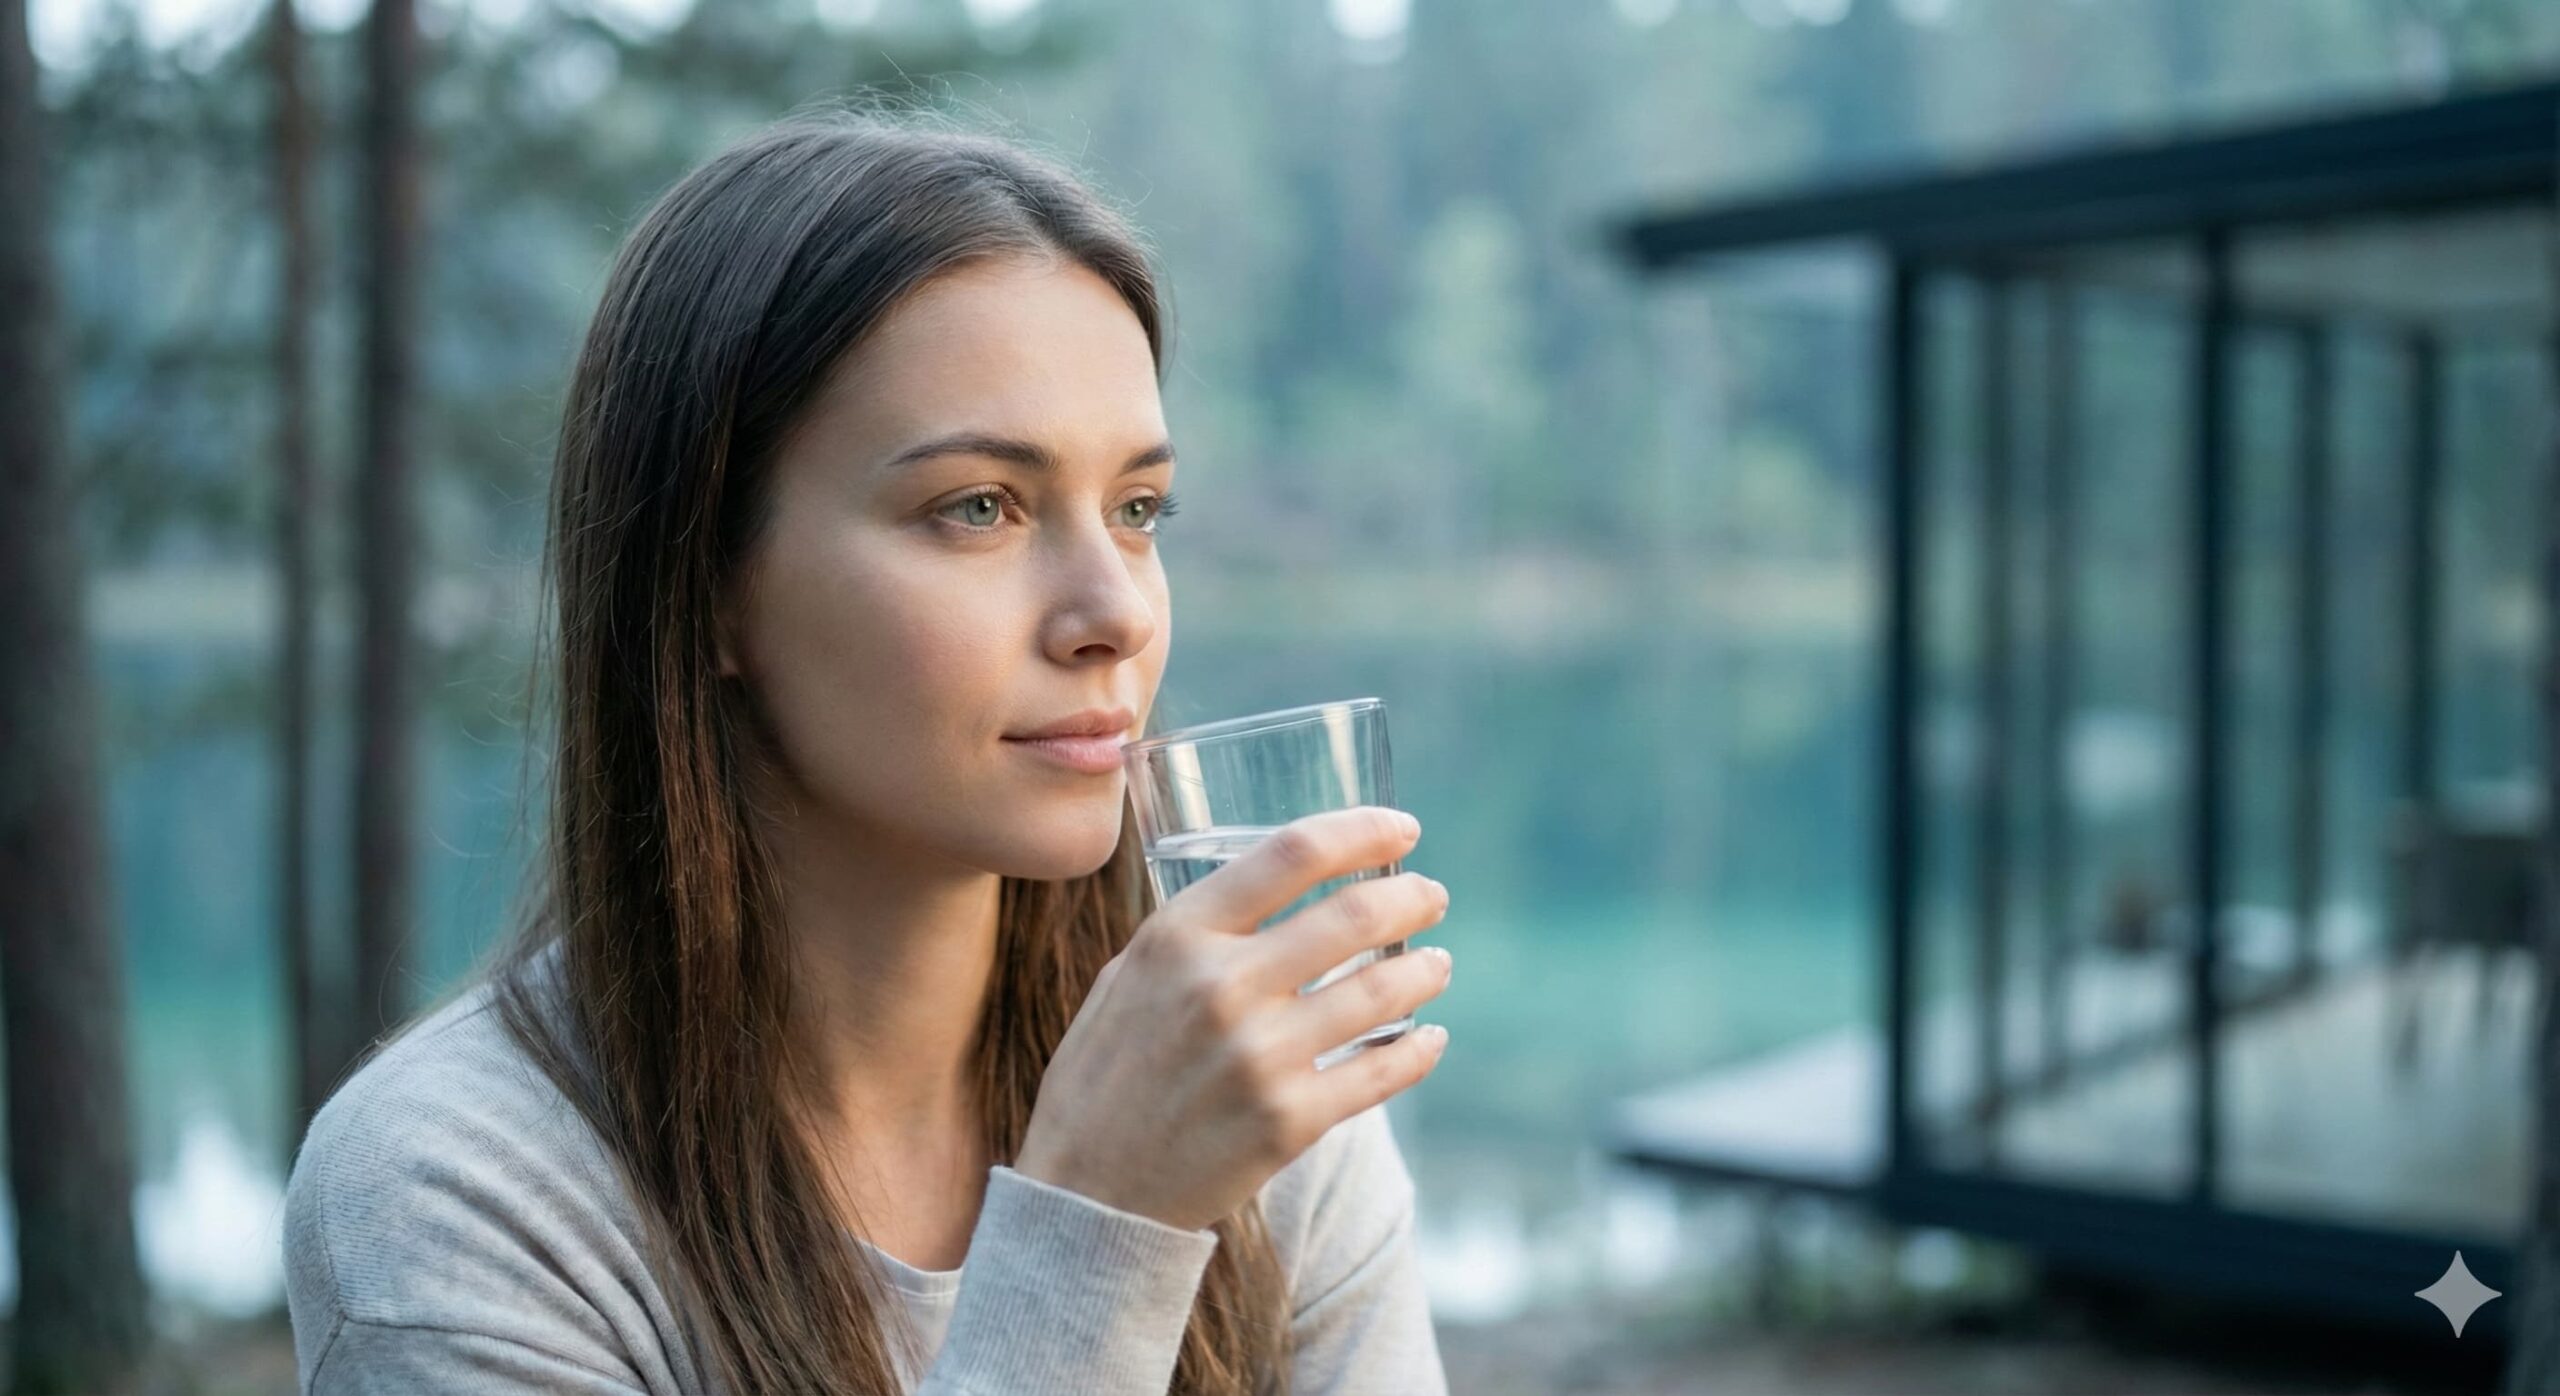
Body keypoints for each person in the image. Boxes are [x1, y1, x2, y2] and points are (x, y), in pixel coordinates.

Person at [280, 107, 1456, 1394]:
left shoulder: (1239, 1095)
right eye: (977, 508)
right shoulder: (460, 1191)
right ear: (711, 586)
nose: (1115, 612)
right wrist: (1103, 1226)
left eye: (1136, 509)